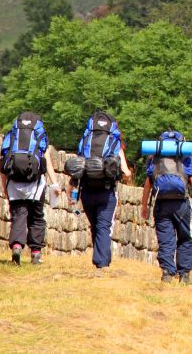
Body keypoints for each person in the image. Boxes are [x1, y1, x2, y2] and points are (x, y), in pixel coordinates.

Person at [69, 110, 132, 271]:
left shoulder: (86, 142)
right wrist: (125, 175)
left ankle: (100, 259)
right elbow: (126, 172)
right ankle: (102, 263)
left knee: (96, 226)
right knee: (104, 226)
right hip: (107, 192)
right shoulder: (114, 144)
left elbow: (77, 167)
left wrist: (71, 192)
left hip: (87, 192)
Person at [140, 130, 192, 284]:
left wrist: (144, 205)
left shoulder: (155, 157)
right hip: (181, 203)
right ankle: (184, 274)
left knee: (165, 238)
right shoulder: (185, 156)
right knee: (184, 237)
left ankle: (167, 272)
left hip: (161, 202)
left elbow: (148, 183)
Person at [0, 111, 60, 265]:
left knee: (18, 216)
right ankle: (35, 253)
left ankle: (17, 247)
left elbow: (3, 165)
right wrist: (54, 184)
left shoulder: (11, 137)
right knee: (36, 217)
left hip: (14, 184)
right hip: (36, 185)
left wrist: (5, 188)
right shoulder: (40, 138)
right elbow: (46, 164)